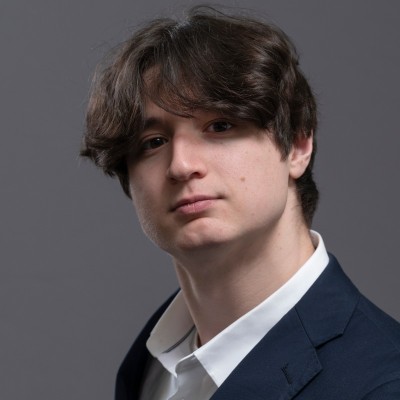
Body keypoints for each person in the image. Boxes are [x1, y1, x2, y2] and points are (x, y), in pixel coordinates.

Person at [81, 6, 400, 400]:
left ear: (297, 145)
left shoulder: (385, 382)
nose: (181, 165)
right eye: (154, 142)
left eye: (220, 126)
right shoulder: (149, 368)